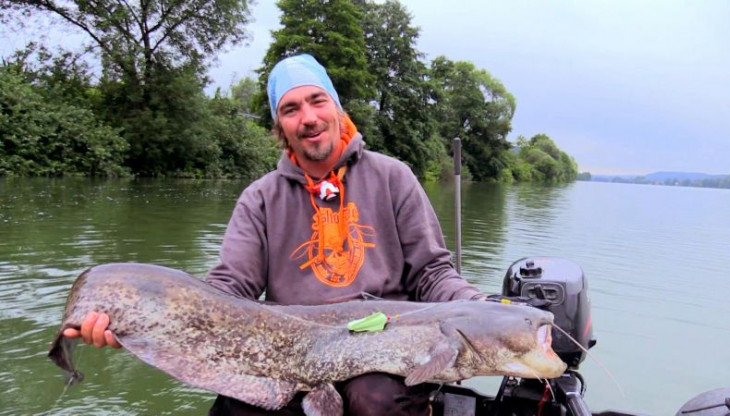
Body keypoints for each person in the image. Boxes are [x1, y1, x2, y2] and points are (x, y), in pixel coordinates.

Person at [64, 53, 485, 416]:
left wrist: (479, 306)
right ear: (280, 126)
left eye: (317, 100)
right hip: (291, 351)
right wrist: (138, 326)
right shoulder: (260, 199)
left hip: (385, 347)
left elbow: (432, 274)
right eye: (291, 109)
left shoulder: (394, 178)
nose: (308, 118)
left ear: (337, 107)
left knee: (373, 399)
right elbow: (227, 291)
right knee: (237, 407)